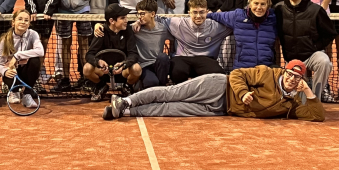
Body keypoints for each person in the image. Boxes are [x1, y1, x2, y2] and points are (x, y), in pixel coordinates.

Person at [103, 60, 325, 122]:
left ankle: (125, 113)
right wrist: (242, 93)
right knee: (171, 93)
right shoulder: (267, 73)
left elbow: (317, 116)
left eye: (297, 78)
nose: (292, 79)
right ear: (284, 71)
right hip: (218, 86)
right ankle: (126, 101)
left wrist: (309, 93)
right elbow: (237, 75)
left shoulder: (291, 104)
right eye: (290, 74)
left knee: (171, 109)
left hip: (221, 109)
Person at [134, 0, 232, 84]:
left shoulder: (217, 27)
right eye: (195, 12)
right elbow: (156, 18)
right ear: (189, 13)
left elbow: (236, 25)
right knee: (177, 73)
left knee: (219, 75)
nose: (198, 16)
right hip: (182, 58)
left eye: (202, 12)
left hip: (206, 58)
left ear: (207, 12)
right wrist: (138, 21)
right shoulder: (178, 23)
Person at [273, 0, 337, 102]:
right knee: (298, 102)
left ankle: (315, 99)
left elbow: (330, 33)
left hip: (311, 55)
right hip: (291, 60)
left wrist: (315, 47)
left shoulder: (316, 10)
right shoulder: (278, 9)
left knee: (324, 62)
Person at [93, 0, 172, 90]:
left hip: (158, 64)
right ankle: (145, 85)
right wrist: (98, 25)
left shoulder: (164, 29)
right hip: (143, 65)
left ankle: (162, 90)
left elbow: (175, 39)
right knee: (152, 82)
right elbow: (115, 26)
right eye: (138, 14)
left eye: (142, 14)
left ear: (153, 14)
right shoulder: (134, 28)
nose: (139, 17)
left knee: (163, 57)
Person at [84, 3, 141, 102]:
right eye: (122, 18)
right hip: (104, 72)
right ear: (112, 21)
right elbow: (89, 54)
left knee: (137, 69)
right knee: (87, 69)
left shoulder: (128, 30)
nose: (126, 20)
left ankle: (127, 86)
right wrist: (98, 62)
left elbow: (133, 54)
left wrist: (124, 64)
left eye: (126, 17)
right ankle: (101, 86)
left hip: (122, 71)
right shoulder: (101, 31)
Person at [207, 0, 277, 70]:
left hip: (265, 69)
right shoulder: (238, 16)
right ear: (250, 4)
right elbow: (216, 16)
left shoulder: (273, 19)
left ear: (268, 6)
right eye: (256, 3)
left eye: (263, 4)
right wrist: (204, 15)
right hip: (242, 69)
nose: (259, 7)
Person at [0, 9, 43, 109]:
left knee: (35, 60)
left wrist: (17, 55)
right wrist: (5, 71)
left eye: (26, 20)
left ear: (29, 24)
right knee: (8, 72)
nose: (23, 22)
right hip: (12, 73)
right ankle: (14, 91)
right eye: (20, 19)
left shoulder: (33, 34)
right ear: (13, 22)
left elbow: (40, 51)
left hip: (26, 72)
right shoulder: (5, 39)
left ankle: (27, 94)